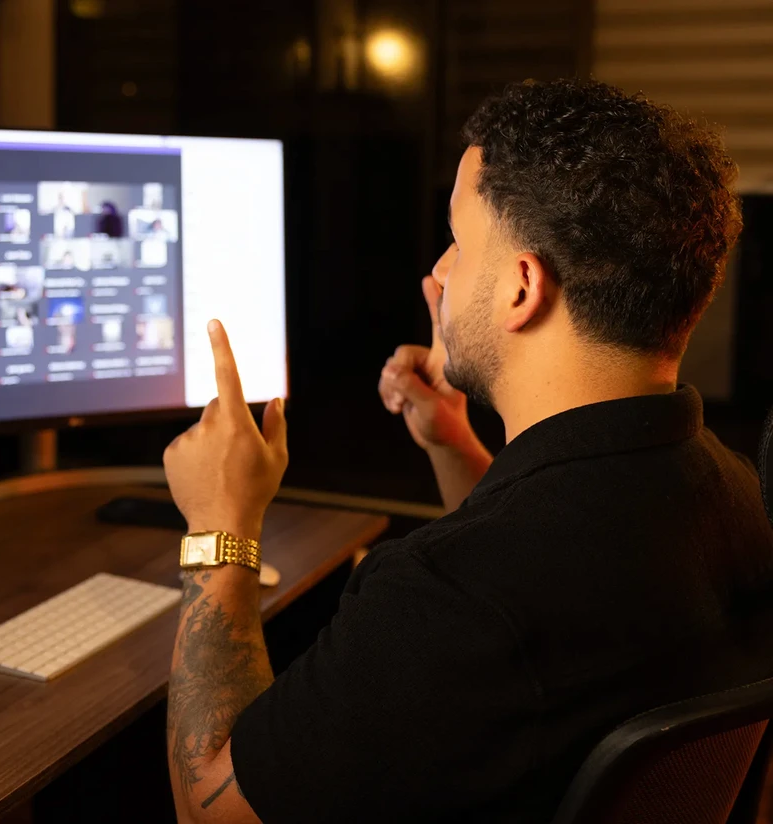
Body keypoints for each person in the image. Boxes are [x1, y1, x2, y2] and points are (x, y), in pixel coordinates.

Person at [161, 78, 773, 823]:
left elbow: (210, 811)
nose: (439, 274)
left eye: (458, 240)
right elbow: (548, 579)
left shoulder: (451, 598)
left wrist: (219, 527)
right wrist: (454, 443)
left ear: (522, 287)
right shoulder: (734, 493)